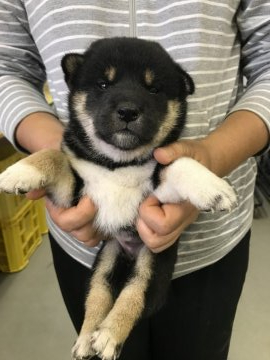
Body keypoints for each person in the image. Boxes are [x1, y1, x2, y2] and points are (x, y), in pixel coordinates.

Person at [0, 1, 269, 359]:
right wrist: (57, 149)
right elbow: (6, 65)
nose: (127, 105)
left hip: (208, 245)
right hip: (83, 241)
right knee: (98, 301)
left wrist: (214, 156)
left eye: (155, 90)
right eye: (101, 84)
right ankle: (88, 338)